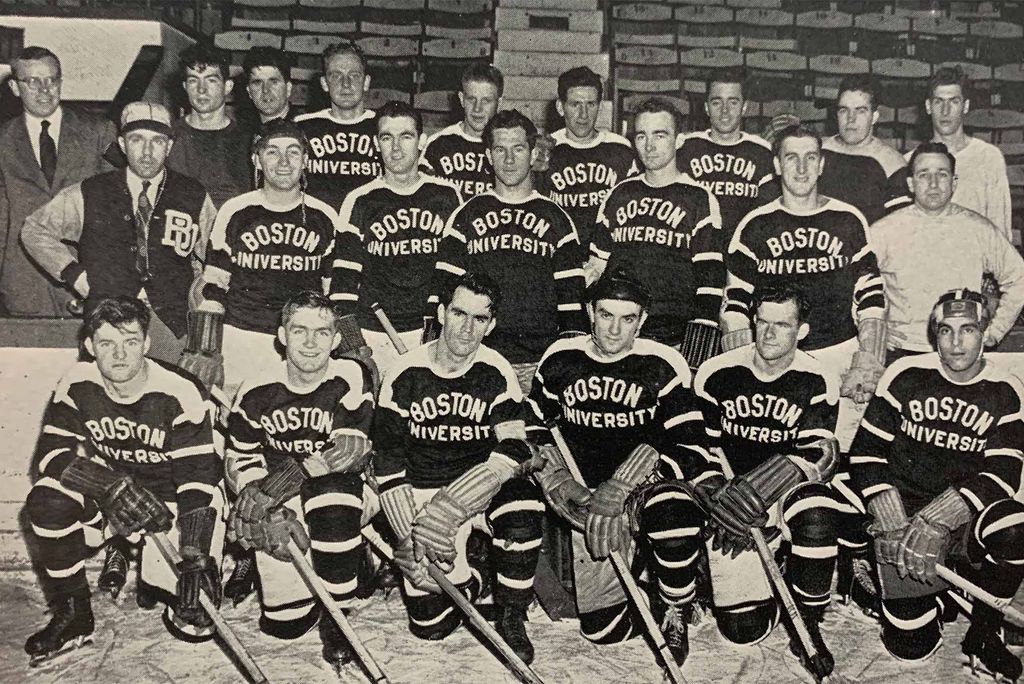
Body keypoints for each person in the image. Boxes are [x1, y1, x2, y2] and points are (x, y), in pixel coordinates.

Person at [526, 270, 710, 673]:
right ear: (589, 311)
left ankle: (675, 603)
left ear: (642, 320)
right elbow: (532, 428)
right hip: (588, 500)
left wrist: (629, 484)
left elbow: (695, 449)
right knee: (602, 631)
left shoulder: (663, 363)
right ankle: (645, 578)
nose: (614, 329)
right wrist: (556, 478)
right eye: (606, 315)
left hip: (644, 489)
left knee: (674, 512)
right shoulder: (561, 359)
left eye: (628, 319)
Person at [24, 296, 223, 665]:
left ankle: (159, 573)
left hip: (173, 503)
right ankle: (74, 615)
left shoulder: (180, 390)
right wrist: (108, 485)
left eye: (130, 342)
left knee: (194, 624)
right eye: (106, 344)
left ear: (146, 344)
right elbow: (49, 457)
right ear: (89, 346)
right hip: (113, 497)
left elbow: (199, 480)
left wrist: (194, 553)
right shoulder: (77, 382)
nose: (119, 355)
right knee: (47, 499)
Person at [850, 288, 1024, 680]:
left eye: (968, 329)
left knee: (1014, 526)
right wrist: (891, 517)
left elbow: (1003, 475)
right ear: (934, 335)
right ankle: (883, 589)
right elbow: (864, 454)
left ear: (985, 333)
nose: (957, 341)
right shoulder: (906, 374)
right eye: (946, 331)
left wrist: (940, 519)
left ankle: (982, 634)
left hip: (961, 525)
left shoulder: (1006, 389)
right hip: (902, 517)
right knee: (911, 649)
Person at [374, 271, 544, 664]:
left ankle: (511, 613)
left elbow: (517, 448)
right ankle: (477, 575)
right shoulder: (404, 372)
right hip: (420, 494)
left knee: (523, 503)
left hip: (477, 494)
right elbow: (387, 464)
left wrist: (454, 504)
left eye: (480, 319)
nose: (467, 329)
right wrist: (409, 537)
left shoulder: (496, 370)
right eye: (459, 314)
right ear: (440, 313)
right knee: (429, 625)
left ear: (492, 324)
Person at [685, 283, 845, 679]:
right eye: (762, 322)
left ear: (802, 330)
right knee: (743, 632)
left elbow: (815, 457)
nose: (769, 334)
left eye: (783, 325)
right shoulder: (715, 372)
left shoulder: (817, 377)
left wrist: (755, 492)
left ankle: (807, 619)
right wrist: (718, 495)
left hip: (781, 496)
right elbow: (696, 447)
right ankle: (774, 585)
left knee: (818, 510)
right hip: (730, 499)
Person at [224, 291, 374, 672]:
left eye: (322, 333)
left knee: (332, 495)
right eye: (300, 331)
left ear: (336, 340)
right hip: (284, 502)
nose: (310, 343)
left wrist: (274, 488)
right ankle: (336, 571)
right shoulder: (256, 388)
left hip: (348, 492)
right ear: (281, 335)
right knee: (283, 626)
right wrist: (259, 496)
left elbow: (344, 454)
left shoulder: (350, 376)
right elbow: (239, 457)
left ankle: (337, 616)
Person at [722, 123, 886, 451]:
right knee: (776, 462)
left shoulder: (848, 219)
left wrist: (867, 359)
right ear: (777, 165)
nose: (801, 168)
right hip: (777, 361)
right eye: (791, 157)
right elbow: (736, 307)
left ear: (822, 164)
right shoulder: (755, 225)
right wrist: (744, 368)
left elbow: (871, 297)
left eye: (810, 157)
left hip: (838, 356)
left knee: (838, 460)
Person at [22, 101, 216, 363]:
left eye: (157, 141)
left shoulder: (192, 194)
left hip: (173, 324)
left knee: (172, 395)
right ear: (122, 144)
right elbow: (34, 230)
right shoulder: (91, 191)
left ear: (169, 146)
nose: (147, 151)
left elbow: (217, 258)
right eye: (137, 140)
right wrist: (74, 274)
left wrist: (200, 296)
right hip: (107, 320)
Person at [427, 109, 587, 393]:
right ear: (488, 156)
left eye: (518, 149)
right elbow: (442, 294)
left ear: (534, 154)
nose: (509, 160)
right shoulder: (467, 215)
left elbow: (572, 306)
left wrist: (566, 369)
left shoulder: (557, 219)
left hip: (537, 362)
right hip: (476, 360)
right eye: (500, 149)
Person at [188, 120, 343, 401]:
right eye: (272, 152)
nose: (284, 162)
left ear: (306, 160)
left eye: (293, 152)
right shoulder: (235, 211)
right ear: (256, 160)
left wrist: (349, 349)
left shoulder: (325, 217)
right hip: (240, 338)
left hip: (300, 343)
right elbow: (213, 286)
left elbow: (334, 293)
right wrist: (205, 349)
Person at [588, 97, 724, 371]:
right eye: (641, 136)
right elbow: (595, 271)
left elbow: (710, 282)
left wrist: (695, 355)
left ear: (679, 140)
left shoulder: (698, 198)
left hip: (673, 341)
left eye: (660, 135)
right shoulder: (619, 194)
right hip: (618, 338)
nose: (649, 146)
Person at [329, 101, 462, 375]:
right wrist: (355, 346)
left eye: (406, 136)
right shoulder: (359, 200)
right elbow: (343, 282)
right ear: (376, 143)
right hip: (375, 333)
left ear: (421, 141)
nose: (396, 148)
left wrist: (440, 332)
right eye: (387, 137)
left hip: (431, 333)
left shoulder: (447, 195)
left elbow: (456, 274)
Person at [873, 142, 1024, 364]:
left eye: (942, 175)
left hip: (961, 353)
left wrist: (994, 332)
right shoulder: (883, 231)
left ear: (954, 183)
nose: (933, 184)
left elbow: (1019, 278)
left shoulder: (978, 228)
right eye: (924, 175)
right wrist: (875, 331)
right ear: (910, 183)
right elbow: (854, 286)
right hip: (902, 352)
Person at [0, 46, 117, 317]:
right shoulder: (3, 141)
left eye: (51, 80)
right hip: (24, 281)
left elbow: (116, 204)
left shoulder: (98, 131)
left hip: (87, 275)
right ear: (15, 88)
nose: (45, 90)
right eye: (33, 81)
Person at [538, 66, 637, 259]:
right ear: (560, 107)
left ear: (599, 106)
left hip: (607, 257)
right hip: (560, 257)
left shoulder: (620, 148)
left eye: (590, 104)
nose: (583, 114)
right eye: (575, 104)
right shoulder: (545, 149)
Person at [675, 70, 775, 244]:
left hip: (742, 249)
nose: (725, 111)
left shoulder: (763, 152)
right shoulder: (686, 148)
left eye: (733, 102)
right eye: (716, 102)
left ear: (744, 107)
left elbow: (768, 216)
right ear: (706, 107)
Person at [917, 65, 1012, 242]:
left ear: (965, 106)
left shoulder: (989, 157)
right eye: (939, 102)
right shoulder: (912, 161)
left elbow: (1001, 231)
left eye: (953, 102)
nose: (945, 111)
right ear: (928, 106)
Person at [295, 41, 382, 210]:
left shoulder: (384, 126)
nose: (346, 84)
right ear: (324, 83)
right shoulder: (303, 127)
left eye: (354, 75)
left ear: (366, 82)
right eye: (336, 76)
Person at [165, 43, 252, 208]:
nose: (201, 89)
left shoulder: (247, 140)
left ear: (228, 86)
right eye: (193, 81)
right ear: (185, 87)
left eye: (211, 80)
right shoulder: (168, 135)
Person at [819, 74, 909, 225]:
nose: (850, 119)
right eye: (844, 110)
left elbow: (898, 227)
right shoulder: (817, 150)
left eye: (860, 111)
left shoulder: (892, 163)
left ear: (874, 117)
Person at [420, 63, 501, 199]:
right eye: (471, 99)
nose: (477, 109)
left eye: (486, 101)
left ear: (499, 103)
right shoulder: (438, 144)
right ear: (461, 99)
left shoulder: (505, 147)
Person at [242, 46, 293, 127]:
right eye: (257, 82)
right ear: (249, 92)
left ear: (288, 88)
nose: (265, 90)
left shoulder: (308, 129)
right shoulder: (243, 133)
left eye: (274, 82)